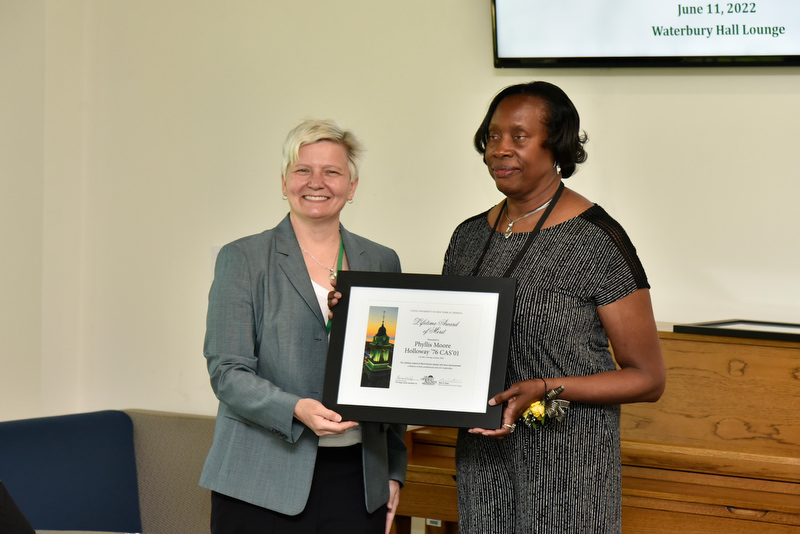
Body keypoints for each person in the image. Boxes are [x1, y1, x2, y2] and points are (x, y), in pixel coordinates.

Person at [443, 81, 666, 533]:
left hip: (568, 463)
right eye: (492, 136)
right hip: (483, 458)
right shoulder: (467, 238)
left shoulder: (595, 240)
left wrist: (545, 386)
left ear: (557, 145)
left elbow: (648, 378)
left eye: (519, 137)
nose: (500, 149)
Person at [200, 119, 407, 534]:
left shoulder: (382, 261)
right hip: (259, 482)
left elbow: (387, 377)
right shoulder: (243, 258)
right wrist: (295, 409)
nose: (317, 182)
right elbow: (227, 373)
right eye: (302, 170)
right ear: (283, 182)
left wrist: (393, 471)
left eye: (332, 171)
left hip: (357, 483)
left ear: (352, 186)